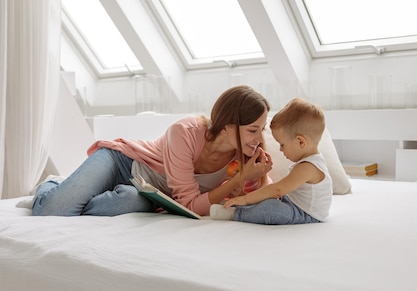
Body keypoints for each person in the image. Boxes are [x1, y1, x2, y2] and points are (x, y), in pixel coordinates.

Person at [32, 85, 272, 217]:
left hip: (151, 195)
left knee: (125, 201)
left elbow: (263, 197)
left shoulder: (247, 156)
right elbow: (190, 203)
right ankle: (53, 186)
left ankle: (75, 193)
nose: (259, 138)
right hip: (123, 163)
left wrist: (257, 179)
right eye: (253, 130)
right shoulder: (185, 131)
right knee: (53, 210)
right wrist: (238, 180)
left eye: (262, 129)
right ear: (228, 126)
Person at [210, 98, 332, 224]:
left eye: (282, 144)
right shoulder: (312, 162)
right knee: (268, 201)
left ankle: (235, 213)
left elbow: (278, 190)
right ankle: (242, 207)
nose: (280, 149)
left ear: (300, 141)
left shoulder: (308, 167)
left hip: (305, 214)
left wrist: (245, 199)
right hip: (292, 205)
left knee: (272, 210)